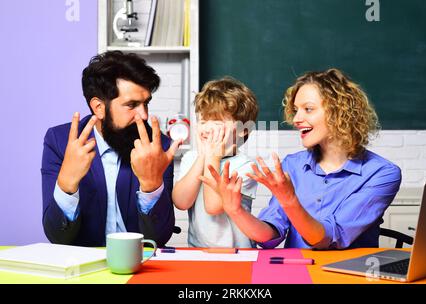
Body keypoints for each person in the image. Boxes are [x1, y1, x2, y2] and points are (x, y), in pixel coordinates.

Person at [201, 68, 402, 249]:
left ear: (340, 112)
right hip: (297, 273)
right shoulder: (292, 165)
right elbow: (270, 234)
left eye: (308, 109)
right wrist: (235, 210)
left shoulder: (382, 174)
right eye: (296, 110)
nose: (296, 119)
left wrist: (289, 200)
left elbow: (328, 238)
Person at [41, 51, 182, 247]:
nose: (143, 115)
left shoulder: (157, 147)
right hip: (83, 269)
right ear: (98, 107)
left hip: (139, 265)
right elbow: (57, 237)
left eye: (146, 103)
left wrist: (152, 185)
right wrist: (66, 184)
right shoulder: (59, 142)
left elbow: (159, 239)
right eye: (131, 105)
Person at [172, 77, 259, 248]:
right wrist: (202, 156)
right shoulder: (191, 158)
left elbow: (213, 207)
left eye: (218, 122)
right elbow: (181, 202)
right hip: (198, 252)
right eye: (203, 121)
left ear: (243, 130)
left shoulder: (246, 166)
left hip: (239, 254)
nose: (208, 128)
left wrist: (213, 157)